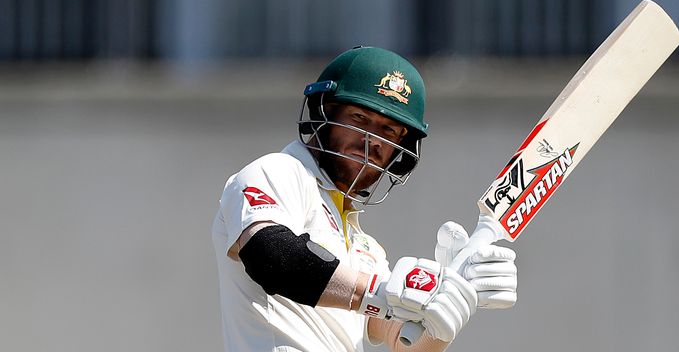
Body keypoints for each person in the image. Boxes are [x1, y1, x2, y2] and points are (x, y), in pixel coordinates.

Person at [212, 46, 518, 352]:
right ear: (325, 113)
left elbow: (403, 343)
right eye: (359, 118)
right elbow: (271, 256)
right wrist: (377, 292)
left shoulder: (366, 248)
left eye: (388, 130)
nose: (370, 140)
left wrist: (446, 306)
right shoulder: (279, 171)